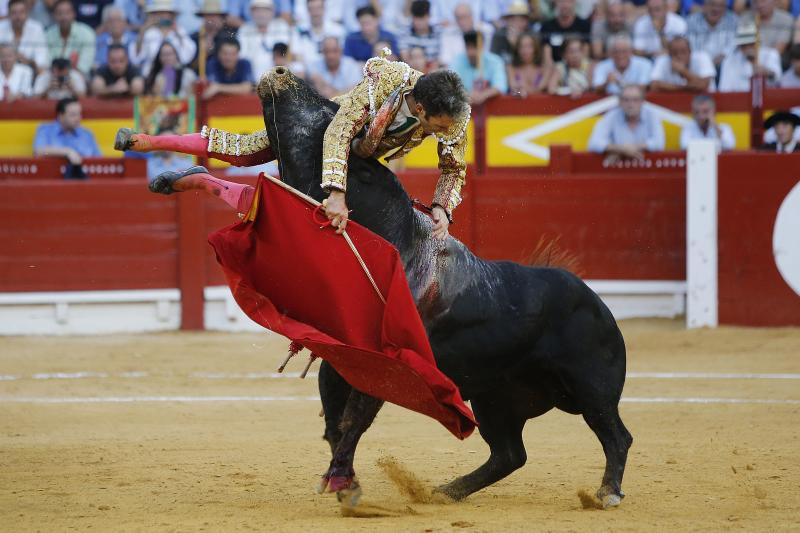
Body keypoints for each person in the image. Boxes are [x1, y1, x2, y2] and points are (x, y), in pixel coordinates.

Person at [117, 51, 471, 240]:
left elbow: (453, 166)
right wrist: (336, 192)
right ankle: (149, 141)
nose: (442, 134)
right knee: (249, 153)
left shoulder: (454, 112)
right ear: (421, 108)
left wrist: (441, 206)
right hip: (324, 125)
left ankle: (203, 180)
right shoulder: (390, 78)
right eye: (437, 128)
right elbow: (340, 129)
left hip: (363, 161)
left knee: (263, 177)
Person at [587, 84, 665, 160]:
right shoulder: (611, 116)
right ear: (619, 102)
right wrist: (621, 149)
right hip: (617, 172)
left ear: (642, 101)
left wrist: (625, 150)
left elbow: (659, 143)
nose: (630, 104)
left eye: (635, 100)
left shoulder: (652, 115)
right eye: (626, 100)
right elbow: (594, 143)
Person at [33, 97, 101, 178]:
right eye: (73, 115)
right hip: (52, 181)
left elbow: (98, 160)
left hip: (84, 182)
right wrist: (66, 152)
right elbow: (39, 152)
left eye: (79, 114)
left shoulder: (87, 134)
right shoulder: (46, 130)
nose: (78, 118)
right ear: (60, 116)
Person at [129, 0, 196, 77]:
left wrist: (177, 33)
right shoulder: (149, 33)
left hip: (175, 74)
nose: (163, 16)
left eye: (165, 13)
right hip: (153, 74)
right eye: (159, 13)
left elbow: (187, 56)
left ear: (171, 15)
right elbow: (137, 57)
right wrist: (143, 30)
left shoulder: (179, 31)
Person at [238, 0, 300, 80]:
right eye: (257, 10)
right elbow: (242, 57)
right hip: (252, 81)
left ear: (273, 12)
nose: (261, 14)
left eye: (265, 10)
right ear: (251, 12)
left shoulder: (282, 26)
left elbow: (292, 55)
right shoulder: (244, 29)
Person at [718, 21, 782, 91]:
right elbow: (725, 89)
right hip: (739, 98)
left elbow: (778, 80)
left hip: (767, 98)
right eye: (744, 45)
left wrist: (767, 72)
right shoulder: (729, 60)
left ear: (758, 43)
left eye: (751, 44)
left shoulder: (770, 54)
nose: (748, 48)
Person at [451, 30, 508, 104]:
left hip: (491, 110)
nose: (471, 52)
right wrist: (466, 95)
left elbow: (500, 87)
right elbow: (450, 87)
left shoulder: (495, 61)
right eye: (468, 47)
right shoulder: (457, 61)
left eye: (475, 47)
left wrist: (484, 95)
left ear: (482, 47)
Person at [45, 0, 96, 77]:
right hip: (52, 75)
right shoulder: (48, 34)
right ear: (54, 15)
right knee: (42, 79)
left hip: (79, 76)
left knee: (75, 78)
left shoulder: (87, 33)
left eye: (67, 13)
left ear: (74, 14)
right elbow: (45, 63)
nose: (64, 17)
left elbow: (84, 67)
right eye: (59, 13)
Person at [686, 0, 739, 72]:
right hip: (699, 68)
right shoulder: (691, 22)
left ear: (725, 8)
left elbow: (735, 45)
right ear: (704, 6)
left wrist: (724, 55)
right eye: (712, 4)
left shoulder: (734, 21)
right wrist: (706, 63)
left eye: (721, 6)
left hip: (726, 67)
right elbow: (690, 48)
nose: (716, 9)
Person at [439, 2, 494, 68]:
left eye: (464, 17)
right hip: (456, 73)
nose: (461, 21)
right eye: (458, 18)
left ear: (472, 16)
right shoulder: (448, 33)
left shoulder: (486, 30)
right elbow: (446, 61)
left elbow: (490, 57)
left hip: (483, 70)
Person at [650, 36, 716, 91]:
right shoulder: (663, 60)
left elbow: (704, 85)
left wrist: (683, 71)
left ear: (690, 52)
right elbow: (654, 85)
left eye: (683, 52)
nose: (679, 56)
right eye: (675, 53)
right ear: (669, 54)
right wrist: (685, 88)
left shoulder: (702, 57)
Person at [0, 0, 49, 73]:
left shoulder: (37, 28)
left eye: (21, 12)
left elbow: (42, 60)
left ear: (27, 13)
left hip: (30, 72)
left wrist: (28, 61)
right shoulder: (1, 27)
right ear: (8, 14)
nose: (18, 17)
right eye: (14, 13)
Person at [190, 0, 237, 72]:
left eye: (215, 15)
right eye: (208, 15)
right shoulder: (194, 37)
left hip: (221, 80)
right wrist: (204, 53)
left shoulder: (228, 37)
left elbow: (233, 64)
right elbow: (190, 68)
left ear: (220, 18)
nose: (212, 19)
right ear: (203, 17)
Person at [540, 0, 592, 65]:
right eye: (561, 1)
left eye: (568, 1)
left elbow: (585, 55)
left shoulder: (584, 25)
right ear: (555, 2)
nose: (565, 5)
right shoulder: (547, 26)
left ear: (574, 2)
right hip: (555, 68)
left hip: (579, 68)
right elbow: (547, 58)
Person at [296, 0, 346, 65]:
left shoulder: (337, 30)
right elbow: (296, 55)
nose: (315, 13)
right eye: (312, 9)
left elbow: (341, 55)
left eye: (318, 8)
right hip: (306, 70)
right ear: (307, 10)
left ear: (324, 9)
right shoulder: (298, 30)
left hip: (331, 68)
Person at [398, 0, 440, 69]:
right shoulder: (404, 33)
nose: (419, 22)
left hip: (432, 73)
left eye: (422, 18)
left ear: (429, 16)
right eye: (416, 18)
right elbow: (405, 59)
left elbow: (438, 61)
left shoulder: (438, 33)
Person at [506, 32, 550, 96]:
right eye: (521, 46)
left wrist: (524, 90)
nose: (525, 50)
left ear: (535, 48)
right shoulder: (511, 68)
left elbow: (543, 90)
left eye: (529, 46)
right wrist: (519, 92)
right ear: (517, 50)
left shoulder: (544, 68)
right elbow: (514, 91)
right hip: (519, 104)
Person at [94, 5, 137, 69]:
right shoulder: (98, 41)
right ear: (106, 24)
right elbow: (96, 64)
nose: (115, 24)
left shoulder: (135, 40)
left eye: (118, 20)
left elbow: (137, 63)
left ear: (124, 22)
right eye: (111, 21)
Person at [490, 0, 532, 64]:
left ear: (526, 22)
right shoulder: (499, 35)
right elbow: (493, 60)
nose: (517, 23)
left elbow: (530, 63)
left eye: (521, 20)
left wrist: (516, 45)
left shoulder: (532, 35)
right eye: (513, 19)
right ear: (507, 20)